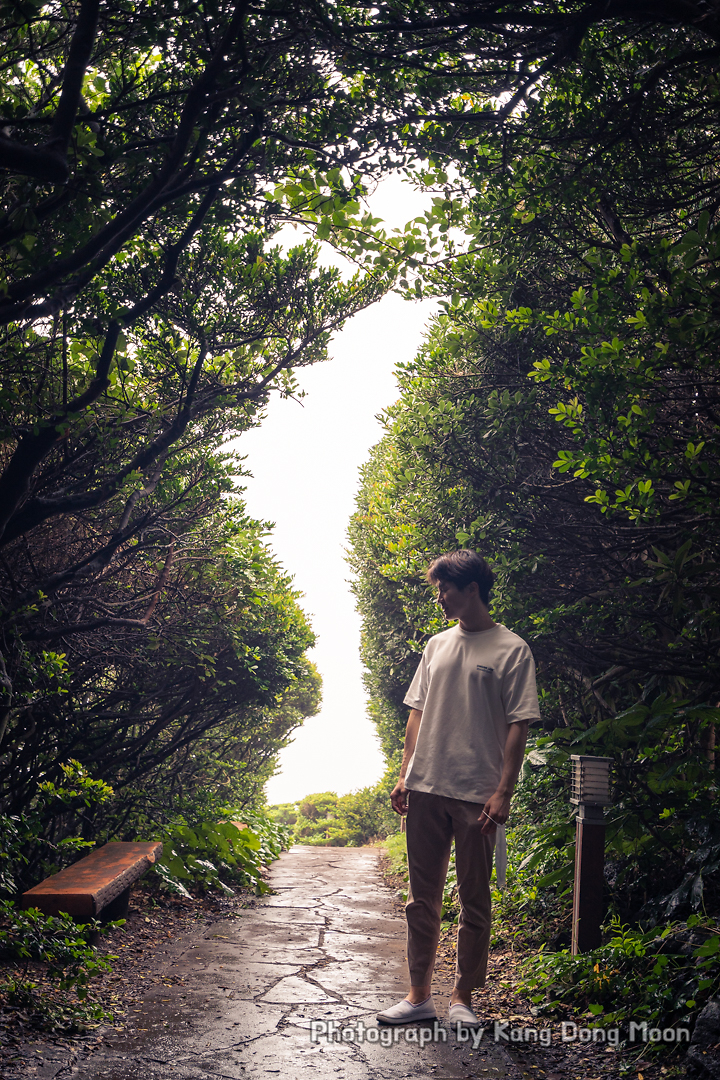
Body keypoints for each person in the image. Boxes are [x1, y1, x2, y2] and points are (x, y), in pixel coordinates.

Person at [376, 549, 540, 1029]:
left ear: (472, 589)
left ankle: (463, 998)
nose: (440, 596)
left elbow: (518, 726)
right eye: (438, 588)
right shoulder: (436, 645)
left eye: (446, 587)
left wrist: (503, 791)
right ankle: (418, 996)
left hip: (477, 794)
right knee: (420, 898)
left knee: (474, 900)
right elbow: (417, 714)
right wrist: (404, 772)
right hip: (425, 786)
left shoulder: (512, 649)